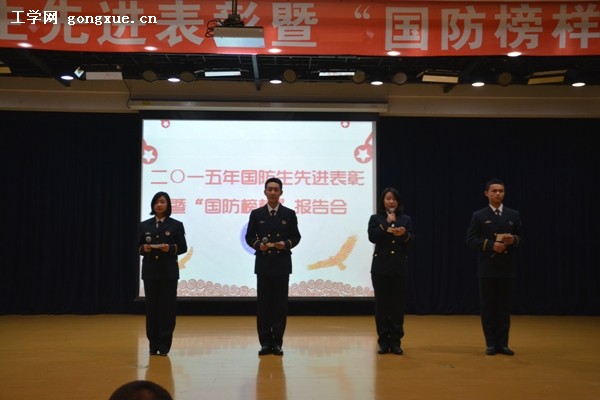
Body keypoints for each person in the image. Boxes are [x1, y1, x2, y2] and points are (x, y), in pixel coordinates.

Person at [245, 177, 301, 356]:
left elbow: (296, 237)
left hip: (282, 264)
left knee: (280, 306)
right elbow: (249, 237)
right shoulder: (257, 214)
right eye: (269, 189)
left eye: (276, 189)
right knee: (263, 306)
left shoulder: (289, 214)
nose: (273, 192)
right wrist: (258, 245)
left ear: (281, 193)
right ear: (265, 192)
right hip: (263, 264)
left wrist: (285, 244)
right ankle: (264, 343)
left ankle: (277, 342)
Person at [466, 178, 522, 356]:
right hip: (487, 268)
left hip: (507, 268)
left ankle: (503, 344)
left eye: (501, 191)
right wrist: (491, 245)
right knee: (489, 307)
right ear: (487, 193)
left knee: (504, 308)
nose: (498, 194)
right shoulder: (479, 215)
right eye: (494, 191)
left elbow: (521, 238)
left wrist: (513, 240)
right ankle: (491, 343)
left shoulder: (513, 214)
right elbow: (470, 239)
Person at [137, 191, 188, 356]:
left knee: (167, 309)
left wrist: (170, 248)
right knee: (151, 309)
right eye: (156, 202)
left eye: (162, 202)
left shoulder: (176, 225)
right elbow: (137, 246)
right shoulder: (144, 225)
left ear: (168, 205)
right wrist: (143, 249)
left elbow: (183, 247)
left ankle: (164, 345)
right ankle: (153, 345)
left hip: (168, 272)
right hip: (150, 271)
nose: (159, 205)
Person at [367, 187, 414, 355]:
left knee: (397, 306)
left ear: (398, 202)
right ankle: (383, 341)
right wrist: (386, 222)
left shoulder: (405, 219)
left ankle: (395, 341)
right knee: (382, 306)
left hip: (399, 268)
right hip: (380, 268)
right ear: (383, 201)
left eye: (394, 199)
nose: (391, 201)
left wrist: (404, 234)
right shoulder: (375, 218)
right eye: (388, 198)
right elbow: (373, 237)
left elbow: (411, 242)